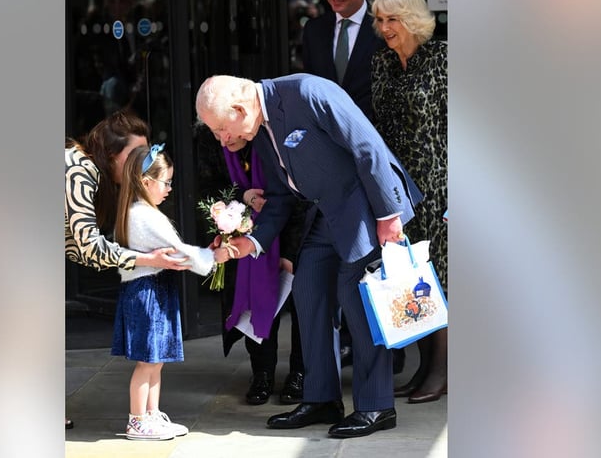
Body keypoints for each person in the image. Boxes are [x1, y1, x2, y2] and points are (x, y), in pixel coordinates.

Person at [195, 74, 424, 438]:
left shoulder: (307, 92)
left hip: (364, 205)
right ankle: (321, 399)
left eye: (222, 128)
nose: (223, 139)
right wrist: (250, 244)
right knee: (308, 291)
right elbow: (280, 196)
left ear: (240, 109)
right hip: (326, 212)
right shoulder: (260, 128)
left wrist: (389, 217)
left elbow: (368, 146)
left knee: (358, 299)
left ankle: (377, 405)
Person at [301, 0, 405, 374]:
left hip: (375, 153)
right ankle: (350, 346)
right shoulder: (314, 31)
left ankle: (394, 350)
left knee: (380, 259)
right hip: (331, 162)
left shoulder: (383, 30)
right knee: (344, 257)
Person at [65, 111, 189, 430]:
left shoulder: (93, 175)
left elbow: (79, 248)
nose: (143, 161)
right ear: (111, 154)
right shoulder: (80, 170)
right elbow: (89, 246)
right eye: (136, 154)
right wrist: (148, 259)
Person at [110, 144, 230, 440]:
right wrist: (214, 256)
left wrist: (206, 254)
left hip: (154, 288)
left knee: (156, 359)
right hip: (147, 291)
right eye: (166, 182)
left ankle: (151, 414)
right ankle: (137, 420)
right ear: (146, 181)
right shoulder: (142, 215)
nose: (169, 189)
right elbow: (178, 252)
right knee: (147, 361)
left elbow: (178, 252)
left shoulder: (142, 211)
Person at [370, 0, 448, 404]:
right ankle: (425, 369)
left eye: (392, 19)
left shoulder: (443, 60)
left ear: (413, 18)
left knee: (441, 280)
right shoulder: (381, 64)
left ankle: (440, 372)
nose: (384, 27)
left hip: (441, 188)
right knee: (412, 277)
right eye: (379, 20)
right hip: (400, 191)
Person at [220, 144, 306, 406]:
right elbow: (209, 186)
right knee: (256, 303)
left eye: (224, 129)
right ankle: (262, 373)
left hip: (294, 235)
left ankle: (300, 373)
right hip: (246, 242)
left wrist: (290, 251)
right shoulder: (213, 143)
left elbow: (302, 197)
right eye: (216, 131)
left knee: (303, 309)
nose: (222, 137)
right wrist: (244, 196)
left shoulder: (273, 135)